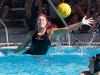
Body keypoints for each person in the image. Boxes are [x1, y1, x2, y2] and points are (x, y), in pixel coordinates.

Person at [14, 14, 94, 55]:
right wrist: (13, 53)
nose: (41, 21)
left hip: (42, 57)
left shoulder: (51, 32)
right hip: (29, 55)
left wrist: (80, 23)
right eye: (39, 20)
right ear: (36, 23)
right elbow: (23, 45)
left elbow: (68, 28)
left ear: (46, 22)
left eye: (42, 20)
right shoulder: (31, 34)